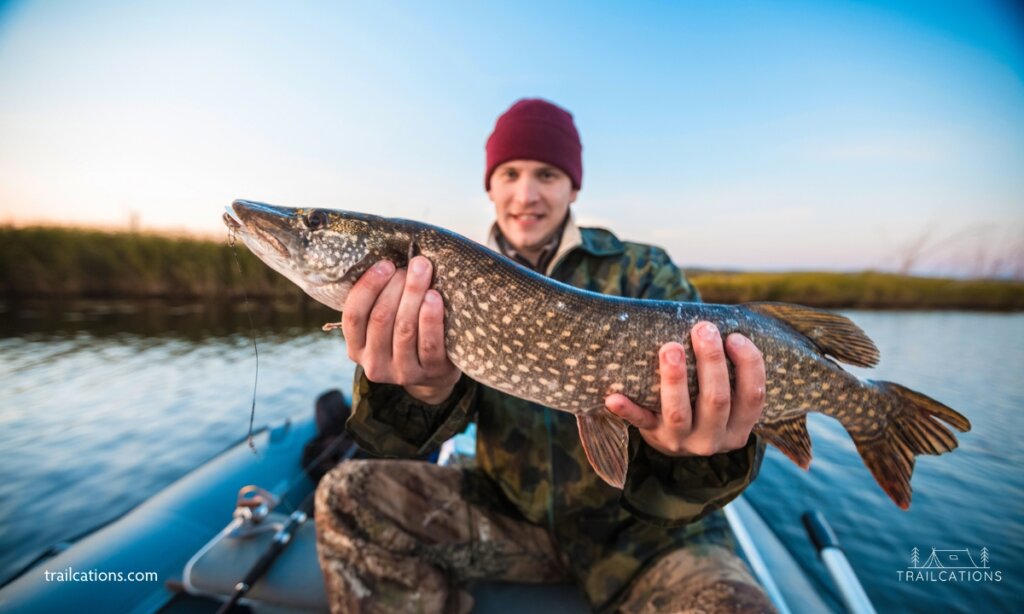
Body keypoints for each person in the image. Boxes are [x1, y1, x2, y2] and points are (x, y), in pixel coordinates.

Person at [314, 98, 775, 613]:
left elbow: (720, 425)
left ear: (573, 185)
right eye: (509, 173)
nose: (526, 194)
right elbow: (400, 440)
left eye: (548, 175)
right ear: (490, 184)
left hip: (646, 536)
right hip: (510, 516)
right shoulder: (434, 274)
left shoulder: (644, 270)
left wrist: (686, 452)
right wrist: (420, 390)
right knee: (345, 496)